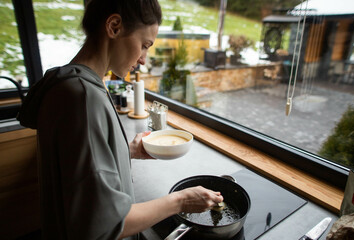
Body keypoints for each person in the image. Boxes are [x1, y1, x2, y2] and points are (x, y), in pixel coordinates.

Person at [17, 0, 223, 239]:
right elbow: (106, 224)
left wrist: (125, 150)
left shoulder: (68, 84)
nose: (144, 59)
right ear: (114, 26)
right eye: (144, 45)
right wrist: (180, 200)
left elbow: (77, 171)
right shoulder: (83, 98)